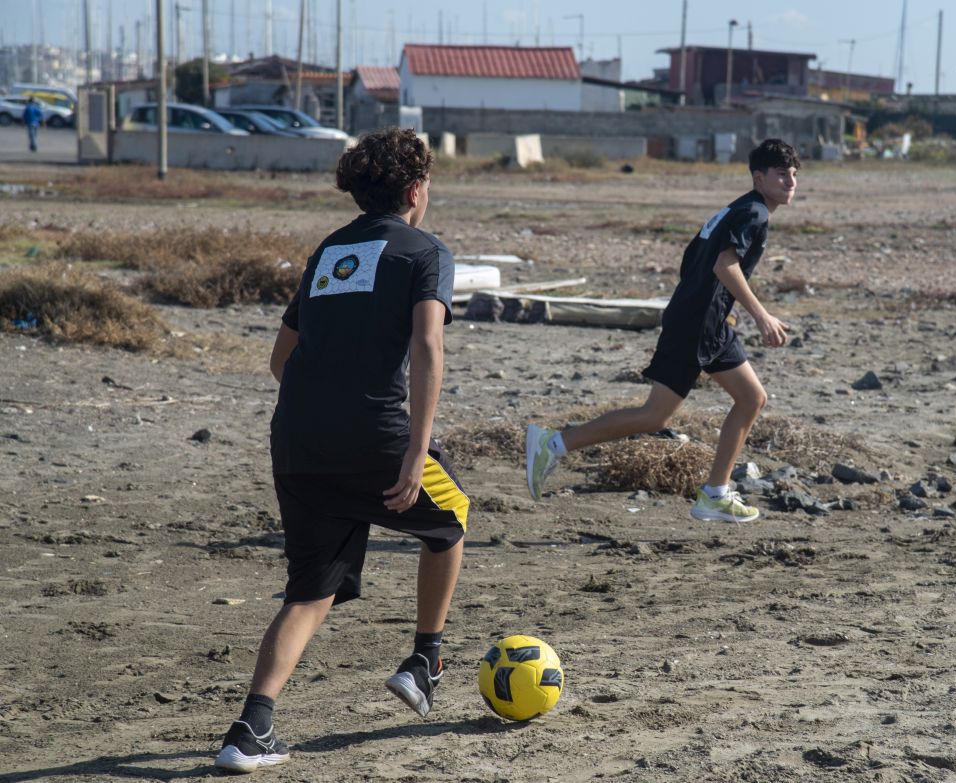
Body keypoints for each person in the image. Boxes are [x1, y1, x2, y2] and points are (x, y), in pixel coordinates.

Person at [214, 127, 467, 773]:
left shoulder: (331, 250)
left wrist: (324, 406)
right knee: (452, 518)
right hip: (374, 434)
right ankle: (425, 660)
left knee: (310, 591)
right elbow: (428, 347)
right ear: (416, 190)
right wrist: (413, 450)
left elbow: (281, 359)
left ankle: (250, 730)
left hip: (297, 439)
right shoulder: (426, 251)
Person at [525, 138, 799, 523]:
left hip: (707, 323)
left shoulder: (736, 209)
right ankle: (552, 444)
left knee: (751, 398)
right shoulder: (753, 213)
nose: (791, 182)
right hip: (696, 325)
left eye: (794, 174)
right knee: (655, 416)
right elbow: (723, 265)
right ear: (758, 178)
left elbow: (693, 259)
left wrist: (721, 309)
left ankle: (715, 494)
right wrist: (761, 315)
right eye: (781, 174)